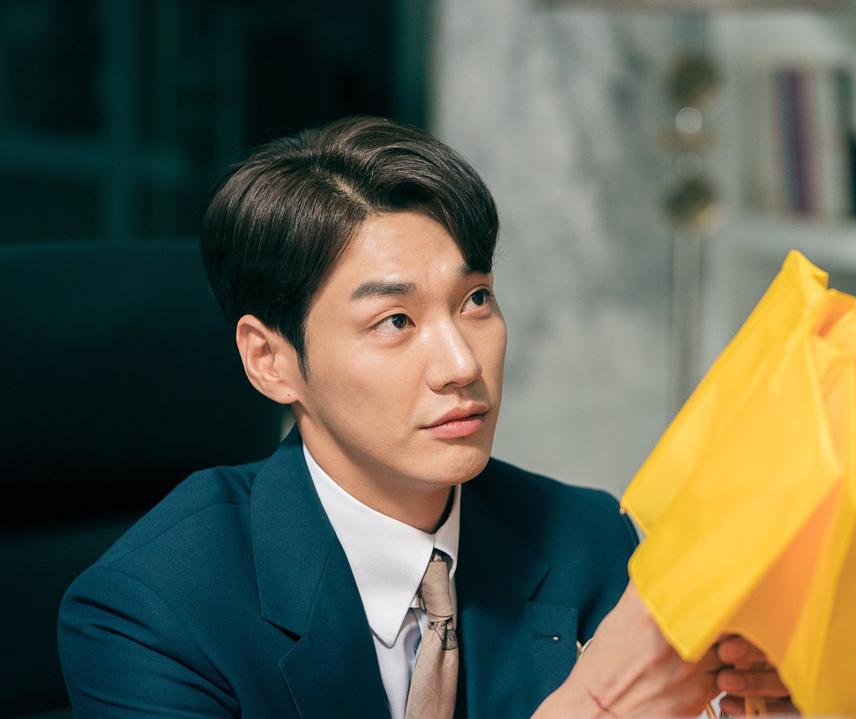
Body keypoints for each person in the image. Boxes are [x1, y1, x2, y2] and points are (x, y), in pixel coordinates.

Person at [57, 116, 796, 718]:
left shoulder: (586, 536)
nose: (461, 364)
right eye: (395, 320)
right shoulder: (151, 611)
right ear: (271, 361)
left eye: (475, 300)